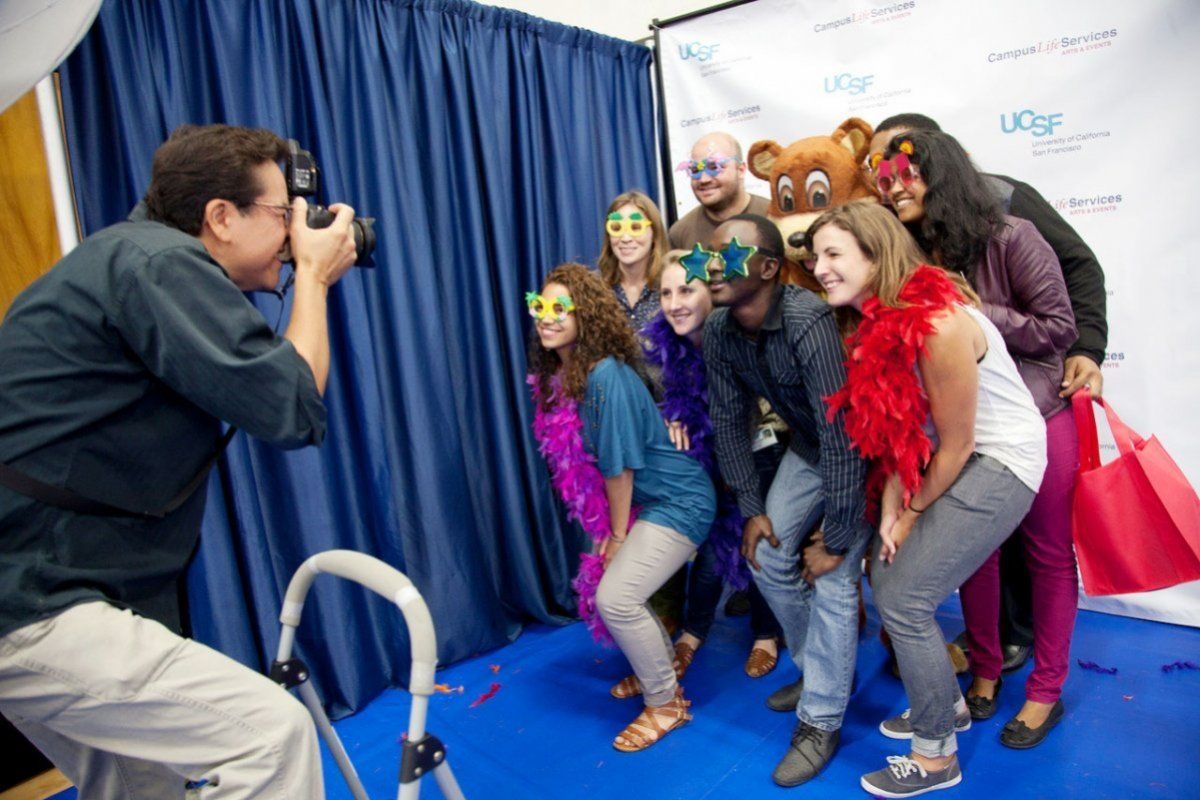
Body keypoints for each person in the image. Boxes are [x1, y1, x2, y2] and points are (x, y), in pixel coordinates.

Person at [0, 124, 358, 798]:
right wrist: (313, 275)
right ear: (220, 217)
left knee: (140, 785)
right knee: (269, 737)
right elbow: (291, 404)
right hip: (34, 596)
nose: (293, 235)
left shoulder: (126, 257)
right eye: (284, 216)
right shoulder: (161, 263)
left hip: (39, 590)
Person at [807, 201, 1047, 796]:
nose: (819, 268)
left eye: (834, 254)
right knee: (888, 584)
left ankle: (938, 756)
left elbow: (958, 444)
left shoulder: (935, 322)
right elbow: (907, 431)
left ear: (875, 254)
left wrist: (911, 512)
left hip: (1002, 458)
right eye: (815, 256)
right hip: (950, 458)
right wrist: (893, 502)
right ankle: (946, 706)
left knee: (908, 598)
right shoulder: (878, 322)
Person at [878, 129, 1080, 748]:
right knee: (975, 558)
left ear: (939, 173)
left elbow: (1058, 328)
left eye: (904, 173)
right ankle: (986, 673)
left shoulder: (1012, 237)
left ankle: (1046, 690)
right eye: (884, 180)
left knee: (1046, 553)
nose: (893, 186)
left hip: (1036, 417)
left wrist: (977, 313)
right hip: (959, 431)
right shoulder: (910, 257)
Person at [703, 214, 871, 787]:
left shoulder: (807, 318)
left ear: (770, 268)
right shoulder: (720, 329)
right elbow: (728, 421)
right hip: (806, 450)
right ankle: (825, 669)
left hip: (860, 453)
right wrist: (752, 506)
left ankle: (821, 718)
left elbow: (846, 433)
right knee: (769, 558)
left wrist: (842, 533)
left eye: (728, 254)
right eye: (706, 255)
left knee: (833, 577)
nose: (711, 266)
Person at [526, 263, 715, 752]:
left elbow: (619, 469)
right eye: (539, 306)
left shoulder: (605, 376)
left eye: (559, 308)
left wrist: (618, 536)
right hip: (650, 501)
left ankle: (666, 704)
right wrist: (610, 530)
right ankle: (660, 666)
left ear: (585, 315)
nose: (546, 318)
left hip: (679, 501)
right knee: (619, 594)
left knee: (616, 598)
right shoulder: (572, 375)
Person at [641, 251, 784, 680]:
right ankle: (694, 629)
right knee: (708, 548)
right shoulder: (662, 349)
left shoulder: (741, 338)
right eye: (665, 293)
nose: (674, 302)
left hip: (761, 449)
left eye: (686, 289)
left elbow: (766, 409)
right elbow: (656, 403)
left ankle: (766, 633)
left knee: (758, 541)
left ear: (712, 291)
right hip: (707, 462)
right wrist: (668, 413)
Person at [668, 132, 770, 251]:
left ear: (741, 170)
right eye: (695, 170)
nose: (703, 179)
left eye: (714, 167)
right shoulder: (680, 233)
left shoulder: (773, 216)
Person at [598, 190, 667, 333]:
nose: (625, 238)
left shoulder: (670, 285)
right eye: (616, 228)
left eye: (636, 227)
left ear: (654, 233)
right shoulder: (595, 289)